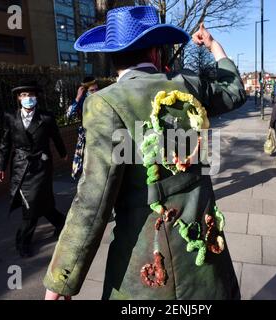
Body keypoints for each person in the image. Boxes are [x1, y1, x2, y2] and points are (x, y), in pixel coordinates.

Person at [43, 6, 246, 300]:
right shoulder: (189, 85)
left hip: (150, 272)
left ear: (112, 56)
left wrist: (60, 282)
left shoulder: (106, 103)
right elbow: (234, 90)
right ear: (155, 53)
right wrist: (214, 45)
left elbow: (93, 201)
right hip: (207, 263)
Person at [0, 81, 68, 258]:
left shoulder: (46, 117)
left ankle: (23, 241)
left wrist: (63, 154)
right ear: (18, 98)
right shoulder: (10, 117)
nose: (27, 98)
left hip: (41, 165)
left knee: (34, 202)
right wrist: (1, 166)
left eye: (30, 95)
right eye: (23, 95)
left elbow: (56, 137)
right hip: (20, 165)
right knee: (39, 202)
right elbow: (5, 143)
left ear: (36, 97)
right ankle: (61, 222)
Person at [67, 77, 99, 180]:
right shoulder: (82, 101)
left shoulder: (102, 99)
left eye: (96, 89)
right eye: (91, 90)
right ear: (85, 92)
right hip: (86, 136)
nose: (95, 92)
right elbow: (69, 115)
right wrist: (77, 97)